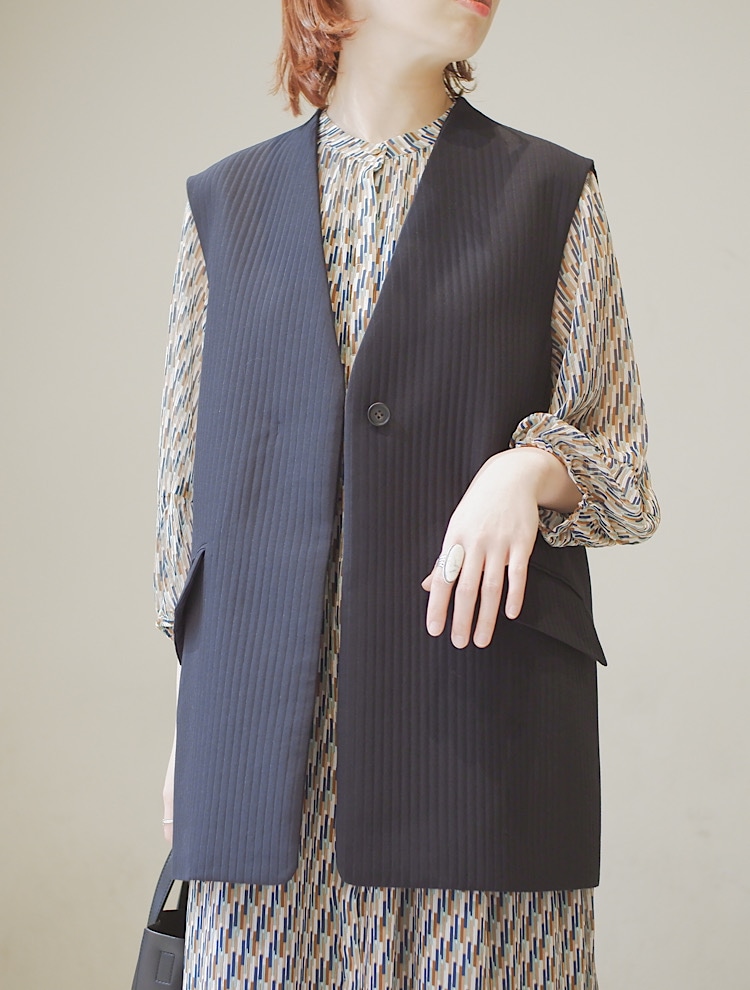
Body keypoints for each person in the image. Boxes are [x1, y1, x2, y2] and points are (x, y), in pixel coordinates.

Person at [154, 0, 660, 986]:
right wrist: (192, 732)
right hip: (264, 765)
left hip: (479, 748)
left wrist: (526, 469)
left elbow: (625, 470)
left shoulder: (551, 192)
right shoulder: (223, 208)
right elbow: (188, 512)